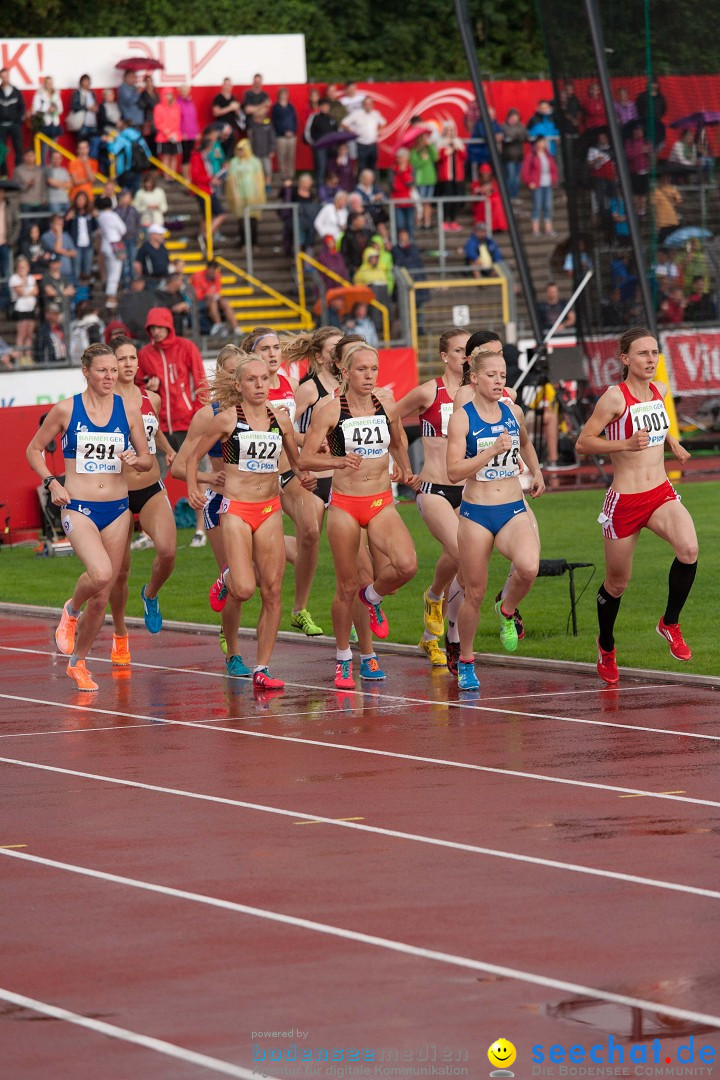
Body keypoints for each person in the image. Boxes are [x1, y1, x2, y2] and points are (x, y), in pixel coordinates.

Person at [25, 343, 152, 691]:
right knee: (100, 574)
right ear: (86, 371)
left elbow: (147, 461)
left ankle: (78, 662)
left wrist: (135, 460)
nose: (110, 376)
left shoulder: (128, 411)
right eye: (103, 370)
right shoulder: (67, 409)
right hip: (78, 505)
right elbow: (33, 449)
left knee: (103, 593)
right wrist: (52, 482)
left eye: (114, 370)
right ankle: (71, 608)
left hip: (117, 509)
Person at [575, 328, 696, 681]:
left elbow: (656, 423)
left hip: (659, 492)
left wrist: (671, 442)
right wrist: (625, 444)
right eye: (642, 354)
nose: (651, 359)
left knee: (688, 548)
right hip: (624, 500)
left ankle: (669, 623)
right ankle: (607, 647)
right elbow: (583, 442)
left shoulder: (660, 390)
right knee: (617, 584)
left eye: (655, 353)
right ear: (625, 359)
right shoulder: (614, 398)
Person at [185, 351, 308, 691]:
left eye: (264, 379)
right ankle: (226, 578)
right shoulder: (227, 419)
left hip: (269, 508)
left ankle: (262, 667)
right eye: (251, 380)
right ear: (238, 385)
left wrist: (310, 476)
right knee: (243, 588)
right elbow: (193, 458)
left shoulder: (280, 419)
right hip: (236, 508)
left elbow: (296, 463)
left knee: (272, 590)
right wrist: (197, 487)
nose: (259, 385)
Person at [300, 337, 418, 689]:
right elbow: (305, 457)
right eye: (362, 370)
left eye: (374, 369)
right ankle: (344, 659)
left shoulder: (386, 402)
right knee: (346, 585)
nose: (369, 376)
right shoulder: (331, 409)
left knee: (407, 565)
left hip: (381, 499)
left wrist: (404, 468)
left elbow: (398, 439)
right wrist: (337, 460)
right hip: (345, 505)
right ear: (345, 372)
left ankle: (374, 597)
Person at [446, 346, 544, 690]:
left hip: (512, 507)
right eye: (491, 375)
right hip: (475, 513)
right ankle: (467, 660)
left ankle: (506, 609)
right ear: (474, 379)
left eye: (503, 375)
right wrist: (490, 451)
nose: (498, 381)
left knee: (529, 567)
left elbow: (526, 442)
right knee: (474, 592)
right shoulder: (462, 417)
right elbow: (454, 470)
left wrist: (537, 471)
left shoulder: (512, 411)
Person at [242, 327, 324, 636]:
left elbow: (290, 432)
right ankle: (232, 587)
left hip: (288, 473)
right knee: (261, 576)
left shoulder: (290, 385)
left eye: (277, 347)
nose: (274, 353)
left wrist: (317, 443)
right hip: (256, 480)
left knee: (312, 531)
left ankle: (299, 609)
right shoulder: (247, 391)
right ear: (252, 355)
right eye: (266, 349)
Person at [396, 328, 470, 669]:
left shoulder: (476, 394)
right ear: (444, 356)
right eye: (458, 351)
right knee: (458, 550)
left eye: (470, 351)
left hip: (470, 490)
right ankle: (435, 597)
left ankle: (431, 639)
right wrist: (403, 465)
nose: (465, 357)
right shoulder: (430, 392)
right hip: (435, 488)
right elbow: (388, 416)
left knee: (467, 567)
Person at [106, 335, 177, 664]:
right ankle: (120, 633)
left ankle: (150, 594)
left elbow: (153, 430)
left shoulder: (152, 398)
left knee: (168, 551)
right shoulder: (103, 402)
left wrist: (167, 448)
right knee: (119, 572)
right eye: (122, 359)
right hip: (116, 492)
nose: (129, 364)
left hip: (149, 486)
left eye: (133, 358)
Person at [137, 306, 209, 547]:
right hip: (158, 425)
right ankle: (147, 533)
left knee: (196, 474)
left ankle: (201, 529)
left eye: (160, 326)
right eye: (152, 327)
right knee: (149, 477)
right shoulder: (145, 353)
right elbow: (137, 386)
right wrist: (148, 384)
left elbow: (200, 380)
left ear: (169, 325)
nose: (156, 331)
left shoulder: (186, 347)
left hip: (186, 423)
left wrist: (196, 414)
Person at [226, 138, 266, 248]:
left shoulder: (255, 162)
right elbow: (232, 179)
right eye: (238, 150)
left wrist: (258, 193)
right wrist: (235, 194)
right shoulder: (234, 162)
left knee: (253, 219)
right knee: (241, 219)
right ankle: (243, 241)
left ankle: (254, 242)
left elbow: (259, 179)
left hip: (252, 194)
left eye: (241, 149)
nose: (240, 152)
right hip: (240, 194)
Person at [521, 135, 558, 238]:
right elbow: (525, 171)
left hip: (547, 184)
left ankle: (548, 228)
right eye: (542, 142)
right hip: (537, 184)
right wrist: (529, 182)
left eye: (544, 142)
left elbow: (553, 168)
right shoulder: (531, 155)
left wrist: (554, 179)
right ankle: (535, 229)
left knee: (548, 206)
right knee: (537, 206)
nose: (544, 144)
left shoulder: (548, 155)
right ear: (537, 143)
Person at [192, 260, 236, 337]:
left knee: (224, 302)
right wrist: (208, 295)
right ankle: (219, 325)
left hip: (212, 300)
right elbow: (197, 295)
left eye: (213, 271)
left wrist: (215, 296)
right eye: (210, 271)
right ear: (207, 269)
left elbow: (217, 290)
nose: (212, 273)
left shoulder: (217, 275)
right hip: (200, 301)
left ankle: (235, 327)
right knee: (213, 301)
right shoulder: (197, 276)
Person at [9, 255, 38, 355]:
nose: (22, 269)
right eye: (21, 267)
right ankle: (19, 357)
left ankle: (28, 356)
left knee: (29, 334)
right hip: (20, 309)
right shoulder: (14, 278)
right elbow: (20, 292)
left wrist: (27, 291)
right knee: (22, 333)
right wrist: (24, 280)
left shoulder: (31, 278)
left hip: (31, 308)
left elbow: (36, 291)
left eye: (24, 267)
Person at [0, 68, 25, 177]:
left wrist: (18, 121)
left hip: (14, 124)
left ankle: (18, 175)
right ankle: (4, 175)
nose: (5, 79)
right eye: (3, 76)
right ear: (1, 77)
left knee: (18, 150)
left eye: (7, 76)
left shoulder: (16, 91)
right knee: (1, 152)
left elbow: (22, 107)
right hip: (1, 126)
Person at [271, 88, 298, 181]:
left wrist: (293, 131)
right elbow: (275, 122)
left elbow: (294, 120)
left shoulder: (290, 107)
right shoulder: (276, 107)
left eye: (285, 94)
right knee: (281, 156)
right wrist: (283, 132)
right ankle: (282, 175)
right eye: (282, 94)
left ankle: (291, 175)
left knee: (291, 156)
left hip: (292, 136)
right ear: (279, 95)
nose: (284, 96)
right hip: (281, 136)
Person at [153, 90, 181, 172]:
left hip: (175, 136)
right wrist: (166, 131)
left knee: (174, 157)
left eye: (170, 95)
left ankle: (173, 177)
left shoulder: (177, 107)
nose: (168, 97)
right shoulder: (158, 107)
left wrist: (172, 133)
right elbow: (157, 122)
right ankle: (167, 177)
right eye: (166, 95)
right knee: (165, 157)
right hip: (163, 136)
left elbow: (178, 121)